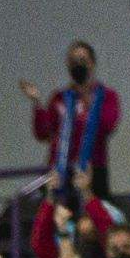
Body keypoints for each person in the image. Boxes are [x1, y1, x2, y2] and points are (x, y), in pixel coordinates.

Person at [28, 43, 121, 201]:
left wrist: (88, 103)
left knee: (94, 221)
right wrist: (37, 104)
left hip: (93, 170)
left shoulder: (106, 96)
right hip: (61, 170)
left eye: (82, 60)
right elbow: (43, 134)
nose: (77, 64)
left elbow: (108, 125)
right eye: (73, 61)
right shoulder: (60, 97)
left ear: (92, 63)